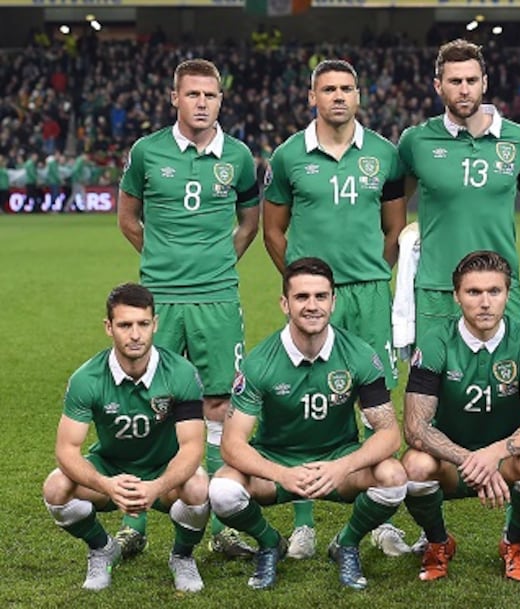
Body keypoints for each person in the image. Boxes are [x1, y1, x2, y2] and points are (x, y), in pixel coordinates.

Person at [262, 59, 408, 559]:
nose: (339, 96)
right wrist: (304, 282)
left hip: (368, 293)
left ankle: (380, 520)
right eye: (329, 89)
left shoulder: (385, 155)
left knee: (376, 405)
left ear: (359, 95)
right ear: (312, 97)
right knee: (307, 400)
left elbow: (395, 228)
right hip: (312, 298)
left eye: (347, 88)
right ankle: (304, 520)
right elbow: (273, 230)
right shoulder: (287, 157)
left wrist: (371, 273)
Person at [117, 58, 260, 559]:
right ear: (174, 98)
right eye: (193, 94)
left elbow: (249, 221)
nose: (202, 103)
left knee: (218, 405)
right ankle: (134, 522)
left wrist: (216, 264)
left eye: (211, 95)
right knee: (146, 404)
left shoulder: (239, 155)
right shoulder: (146, 152)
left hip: (218, 299)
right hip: (159, 298)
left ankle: (219, 524)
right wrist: (161, 264)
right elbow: (129, 219)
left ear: (222, 99)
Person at [208, 257, 408, 590]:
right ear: (285, 303)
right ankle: (270, 542)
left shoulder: (359, 354)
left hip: (337, 461)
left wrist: (342, 467)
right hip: (277, 463)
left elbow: (389, 434)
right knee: (222, 490)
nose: (312, 306)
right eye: (302, 297)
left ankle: (346, 543)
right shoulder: (260, 362)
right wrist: (282, 474)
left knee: (393, 476)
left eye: (320, 296)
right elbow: (232, 444)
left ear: (333, 301)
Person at [42, 283, 209, 592]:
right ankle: (101, 547)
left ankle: (182, 556)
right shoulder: (86, 379)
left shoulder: (182, 373)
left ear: (155, 324)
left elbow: (192, 446)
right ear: (109, 327)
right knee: (55, 487)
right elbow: (67, 450)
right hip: (110, 470)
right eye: (125, 325)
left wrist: (157, 486)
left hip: (163, 470)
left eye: (143, 324)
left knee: (199, 487)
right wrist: (107, 485)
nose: (135, 334)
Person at [402, 250, 520, 582]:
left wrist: (493, 455)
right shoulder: (436, 341)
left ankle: (514, 543)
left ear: (507, 293)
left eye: (494, 292)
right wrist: (472, 459)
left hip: (504, 459)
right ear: (457, 297)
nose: (485, 302)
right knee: (414, 464)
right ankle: (438, 541)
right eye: (473, 292)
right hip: (451, 460)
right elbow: (415, 429)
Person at [397, 39, 520, 345]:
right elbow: (394, 205)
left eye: (471, 80)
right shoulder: (415, 141)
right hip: (437, 289)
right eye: (455, 81)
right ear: (438, 85)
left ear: (484, 83)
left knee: (513, 383)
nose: (464, 89)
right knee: (430, 387)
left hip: (501, 286)